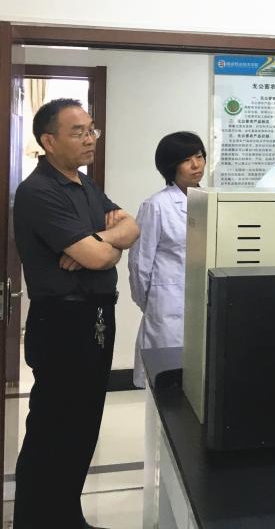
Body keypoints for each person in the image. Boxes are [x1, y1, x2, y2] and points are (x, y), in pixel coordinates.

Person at [13, 98, 140, 529]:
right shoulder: (38, 191)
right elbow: (102, 257)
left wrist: (100, 240)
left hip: (96, 318)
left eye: (91, 130)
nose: (89, 139)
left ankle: (67, 516)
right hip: (62, 322)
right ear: (49, 141)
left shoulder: (85, 185)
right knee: (54, 429)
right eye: (78, 132)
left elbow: (131, 227)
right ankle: (37, 520)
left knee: (83, 427)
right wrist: (104, 246)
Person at [128, 131, 207, 388]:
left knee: (201, 380)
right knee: (166, 381)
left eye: (199, 156)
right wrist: (151, 302)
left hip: (204, 300)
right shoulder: (156, 205)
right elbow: (139, 264)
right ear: (171, 166)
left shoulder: (211, 200)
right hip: (167, 305)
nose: (196, 165)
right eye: (186, 160)